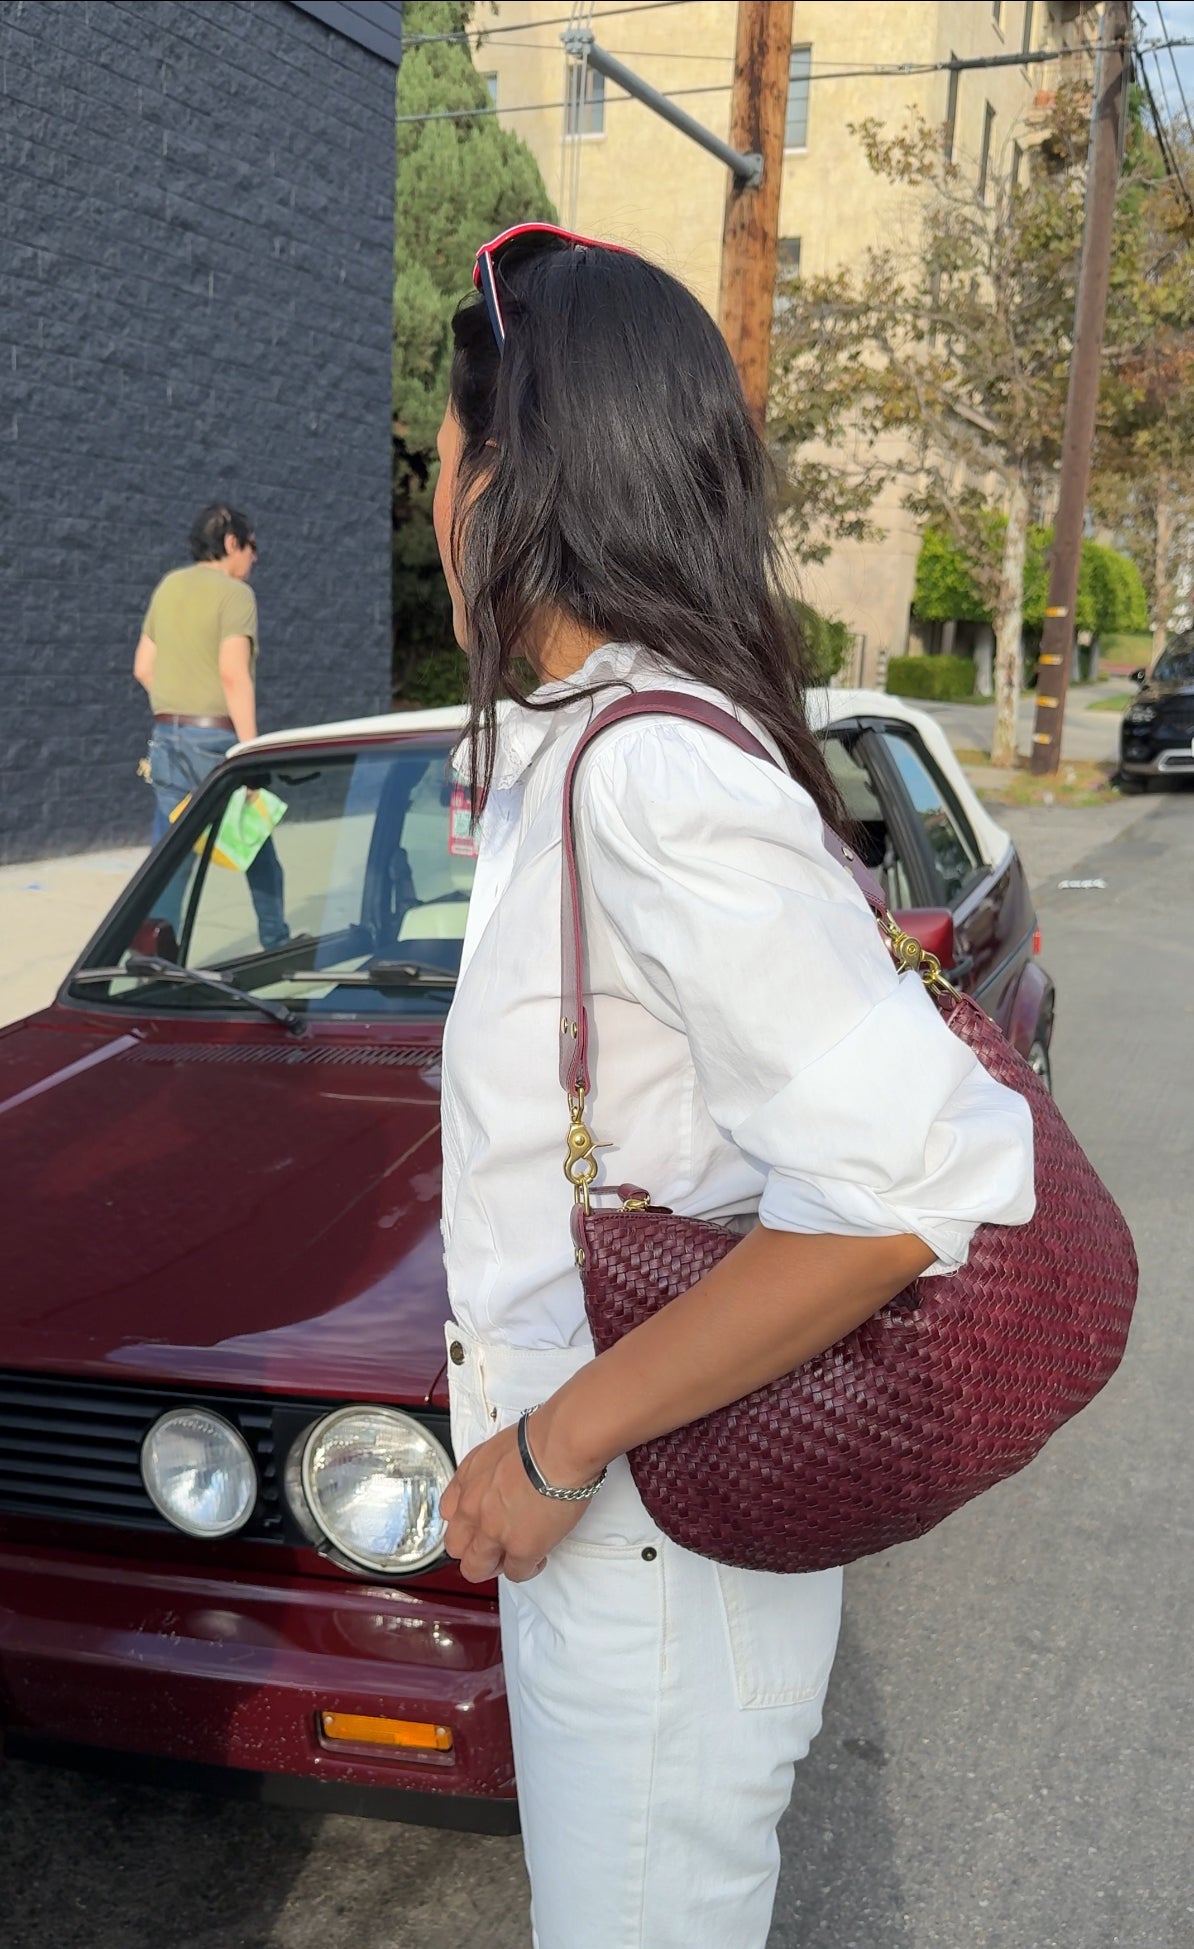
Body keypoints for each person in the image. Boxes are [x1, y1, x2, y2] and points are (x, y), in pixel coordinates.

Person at [433, 225, 1036, 1949]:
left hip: (642, 1539)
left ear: (514, 475)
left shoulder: (652, 778)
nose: (435, 501)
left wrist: (551, 1445)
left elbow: (903, 1189)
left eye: (445, 457)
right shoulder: (602, 742)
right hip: (625, 1527)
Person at [133, 504, 288, 949]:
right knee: (254, 844)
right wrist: (250, 753)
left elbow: (143, 667)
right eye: (251, 545)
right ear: (231, 543)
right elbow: (233, 675)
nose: (254, 556)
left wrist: (180, 707)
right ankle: (277, 943)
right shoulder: (235, 595)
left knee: (170, 856)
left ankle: (157, 954)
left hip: (166, 738)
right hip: (215, 742)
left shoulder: (168, 586)